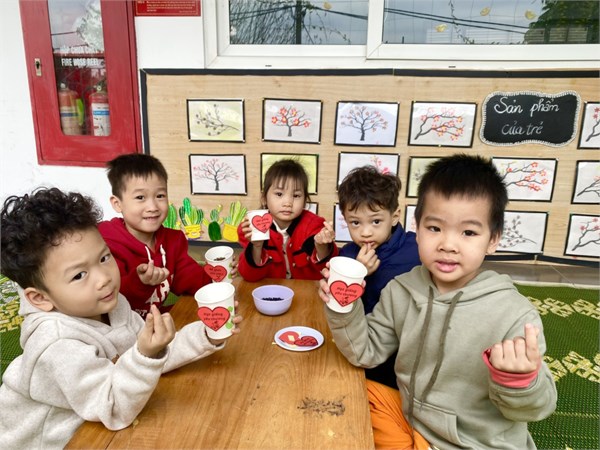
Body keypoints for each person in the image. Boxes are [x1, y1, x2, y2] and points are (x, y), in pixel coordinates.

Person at [320, 154, 557, 449]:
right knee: (335, 396)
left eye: (468, 232)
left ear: (493, 239)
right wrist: (343, 306)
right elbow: (364, 353)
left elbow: (537, 409)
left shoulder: (513, 314)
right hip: (410, 421)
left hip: (471, 442)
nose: (448, 245)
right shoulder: (401, 290)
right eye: (434, 228)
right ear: (417, 228)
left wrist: (518, 382)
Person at [0, 188, 242, 449]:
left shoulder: (112, 304)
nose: (104, 278)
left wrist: (206, 333)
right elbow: (113, 407)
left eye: (104, 258)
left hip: (99, 419)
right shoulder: (57, 346)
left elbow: (153, 353)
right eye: (79, 275)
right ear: (39, 298)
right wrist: (144, 355)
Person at [99, 153, 222, 318]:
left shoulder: (173, 241)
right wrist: (140, 282)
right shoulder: (106, 246)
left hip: (158, 322)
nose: (153, 207)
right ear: (117, 204)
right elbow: (112, 300)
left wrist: (218, 279)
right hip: (119, 328)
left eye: (160, 196)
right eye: (140, 197)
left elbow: (189, 277)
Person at [337, 165, 420, 388]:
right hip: (360, 345)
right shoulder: (347, 255)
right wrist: (357, 274)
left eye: (375, 221)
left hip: (405, 351)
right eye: (355, 223)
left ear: (394, 217)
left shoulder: (417, 250)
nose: (365, 232)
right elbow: (341, 307)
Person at [237, 158, 337, 281]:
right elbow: (250, 277)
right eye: (279, 194)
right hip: (270, 290)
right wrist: (256, 247)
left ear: (305, 201)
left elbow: (326, 271)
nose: (288, 203)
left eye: (296, 195)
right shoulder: (252, 228)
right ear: (264, 198)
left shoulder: (314, 226)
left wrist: (321, 246)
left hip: (305, 290)